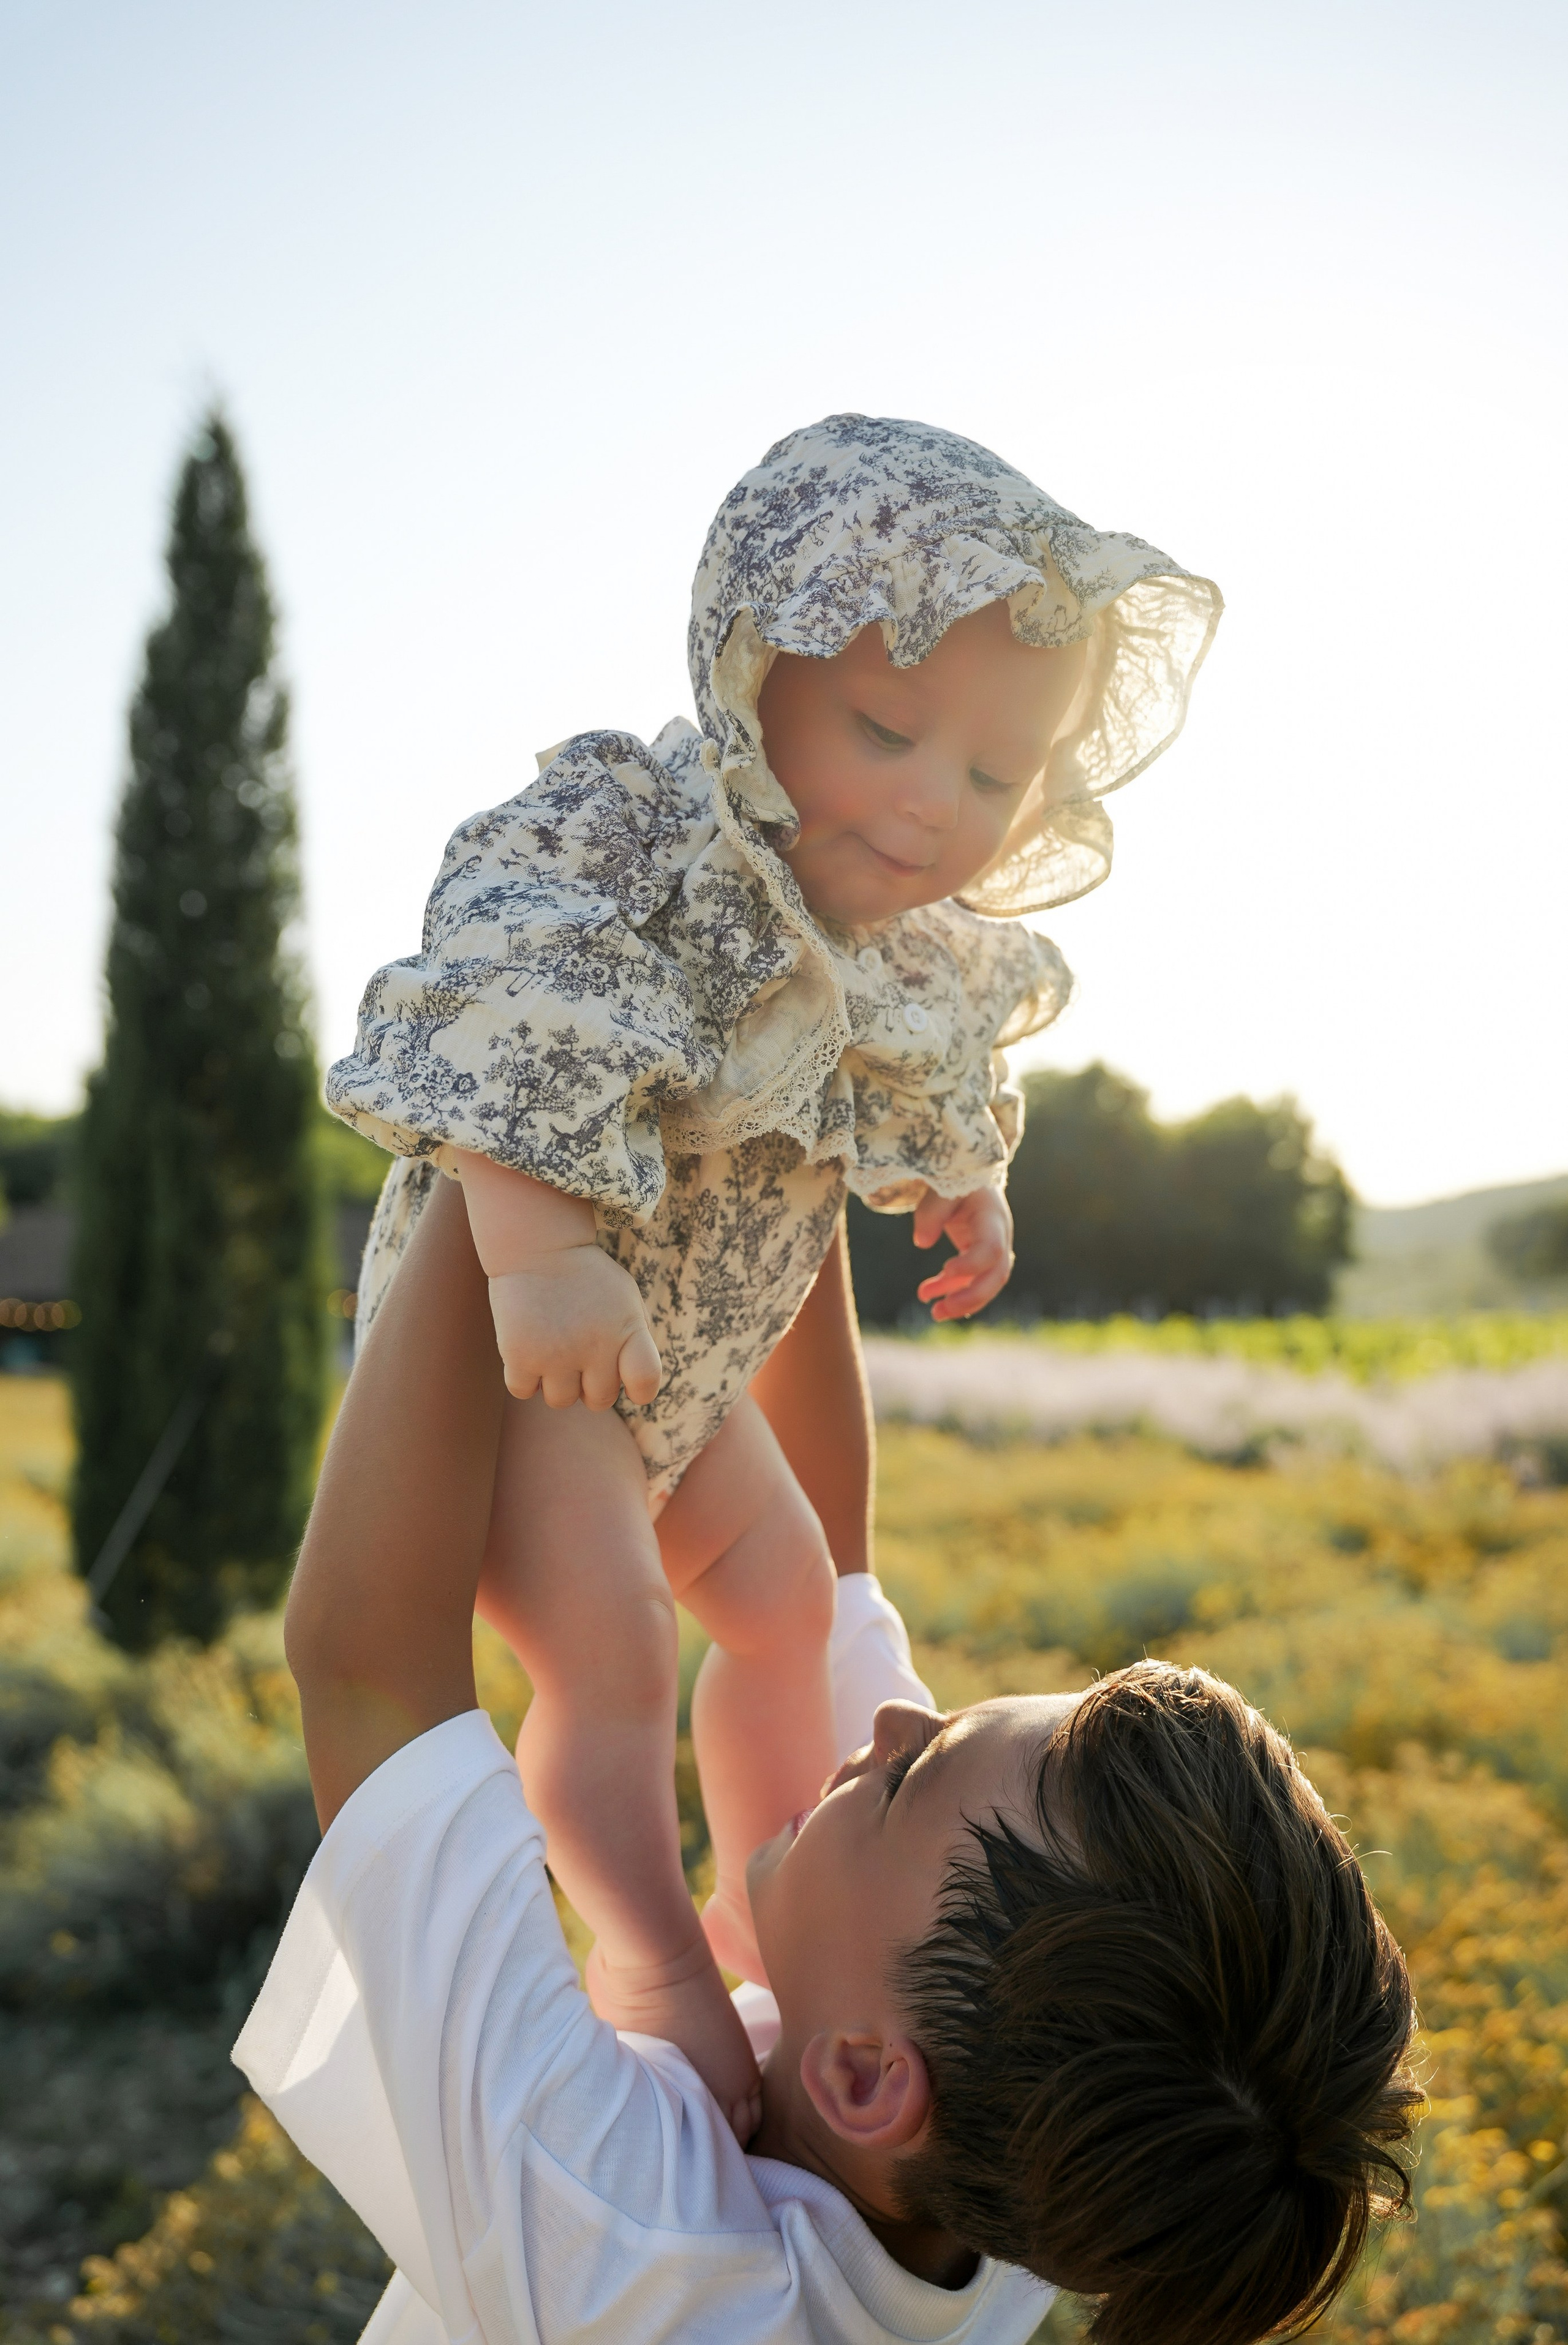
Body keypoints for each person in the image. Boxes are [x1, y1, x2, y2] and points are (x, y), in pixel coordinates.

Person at [324, 413, 1225, 2127]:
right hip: (534, 1354)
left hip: (684, 1363)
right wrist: (533, 1253)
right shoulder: (647, 851)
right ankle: (656, 1947)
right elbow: (502, 1021)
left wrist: (968, 1180)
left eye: (990, 775)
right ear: (754, 672)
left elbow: (909, 1080)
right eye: (888, 730)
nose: (929, 804)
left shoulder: (897, 948)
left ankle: (768, 1885)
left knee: (789, 1606)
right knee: (611, 1654)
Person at [240, 1172, 1421, 2345]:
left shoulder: (627, 2252)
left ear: (865, 2080)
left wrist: (510, 1144)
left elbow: (369, 1676)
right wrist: (795, 1117)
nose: (895, 1729)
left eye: (908, 1773)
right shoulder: (1013, 2157)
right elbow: (830, 1557)